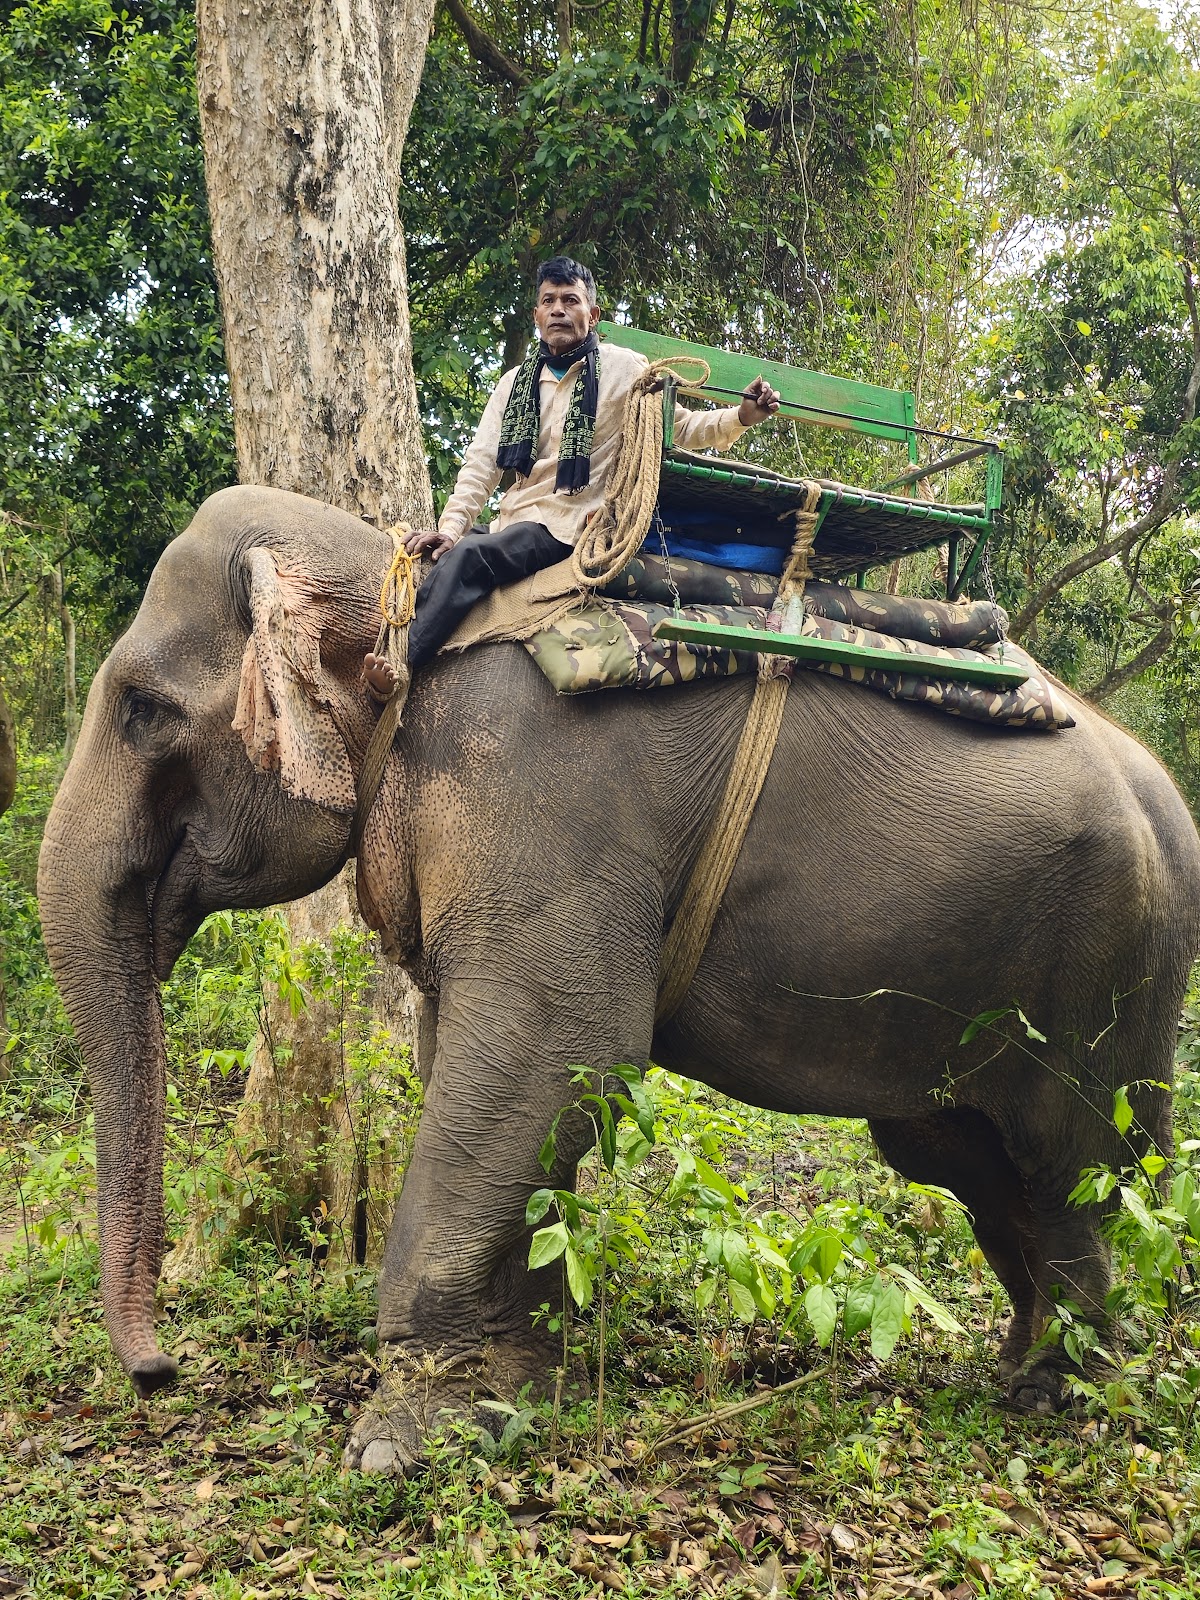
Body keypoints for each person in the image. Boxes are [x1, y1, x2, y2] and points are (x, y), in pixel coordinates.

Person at [365, 256, 780, 693]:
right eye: (549, 301)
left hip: (570, 526)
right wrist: (449, 529)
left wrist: (742, 415)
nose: (559, 309)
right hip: (516, 517)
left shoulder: (626, 370)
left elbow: (681, 427)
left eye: (570, 300)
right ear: (537, 316)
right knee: (439, 556)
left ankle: (400, 667)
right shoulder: (512, 385)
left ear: (593, 314)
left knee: (471, 558)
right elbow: (481, 465)